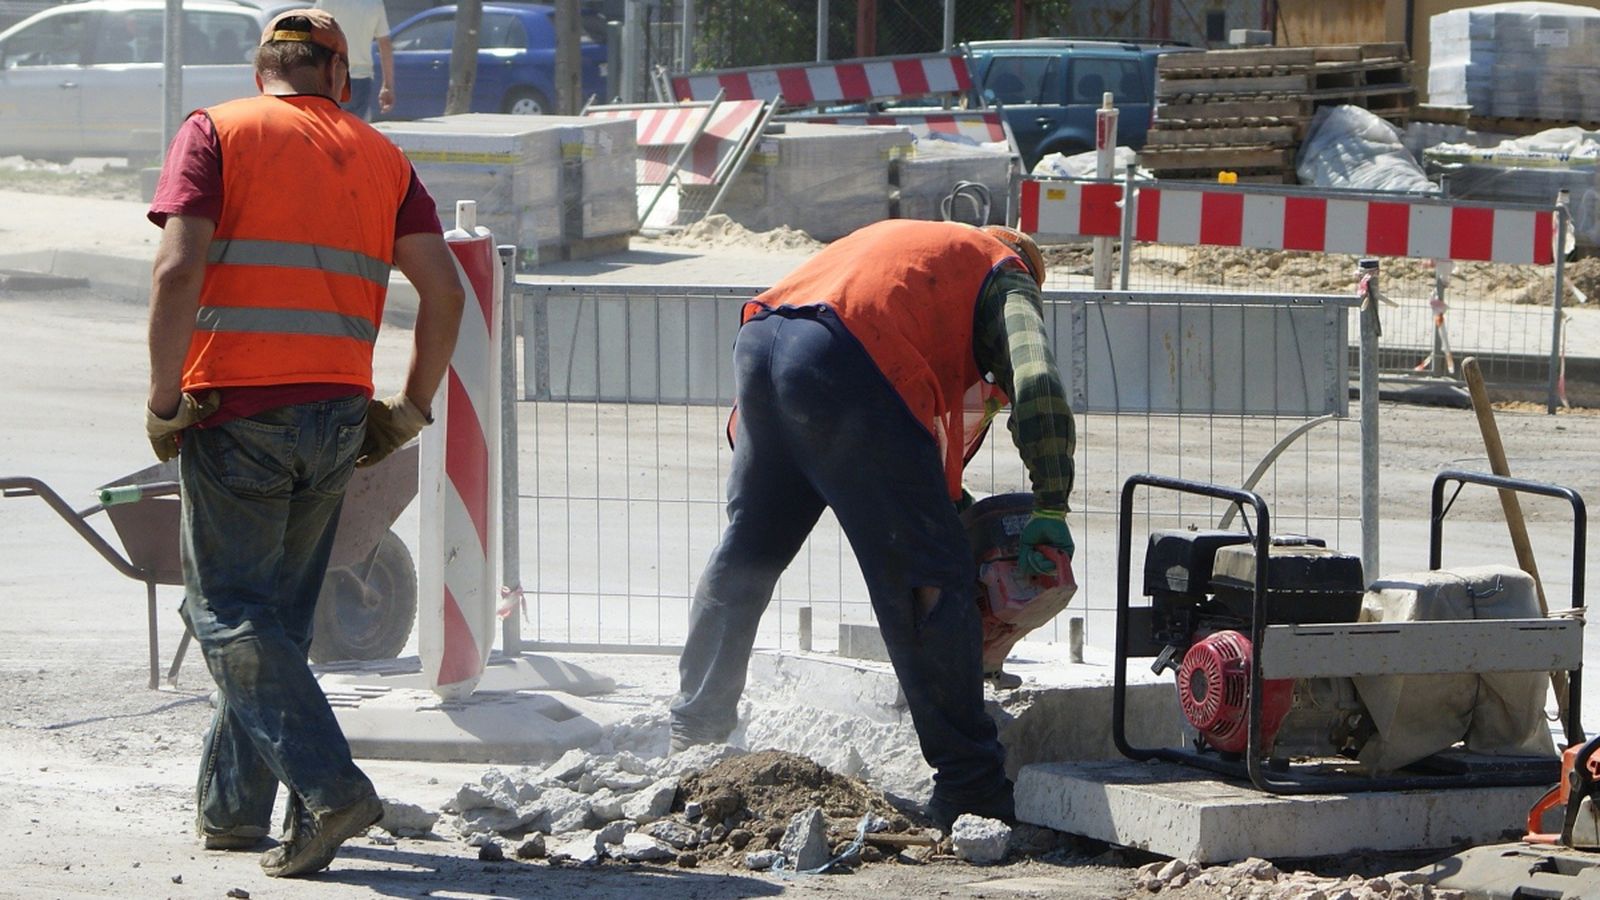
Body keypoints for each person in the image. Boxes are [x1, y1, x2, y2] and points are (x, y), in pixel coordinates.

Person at [144, 8, 464, 878]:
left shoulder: (217, 130)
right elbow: (445, 289)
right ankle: (234, 815)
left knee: (223, 611)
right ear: (339, 78)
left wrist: (165, 399)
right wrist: (411, 407)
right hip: (337, 415)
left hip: (236, 410)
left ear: (264, 71)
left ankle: (330, 789)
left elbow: (177, 270)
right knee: (274, 619)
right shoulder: (382, 155)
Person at [670, 219, 1077, 831]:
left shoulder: (913, 255)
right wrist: (1050, 502)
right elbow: (1036, 381)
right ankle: (971, 785)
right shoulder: (1005, 274)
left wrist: (948, 508)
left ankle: (694, 738)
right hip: (851, 358)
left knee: (747, 556)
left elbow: (911, 451)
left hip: (765, 347)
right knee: (927, 581)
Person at [314, 0, 394, 119]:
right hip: (362, 79)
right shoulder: (374, 4)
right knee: (357, 131)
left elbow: (313, 34)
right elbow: (385, 44)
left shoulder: (327, 2)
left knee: (331, 130)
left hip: (333, 75)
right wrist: (387, 86)